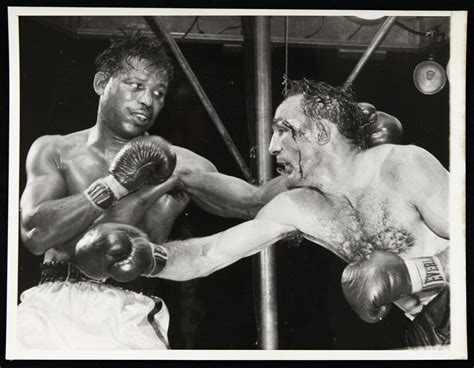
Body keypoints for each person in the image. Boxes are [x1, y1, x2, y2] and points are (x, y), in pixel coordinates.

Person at [75, 79, 450, 348]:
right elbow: (209, 253)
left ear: (320, 132)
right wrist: (151, 256)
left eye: (284, 130)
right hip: (423, 329)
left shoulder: (402, 165)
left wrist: (413, 273)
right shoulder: (299, 206)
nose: (271, 146)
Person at [18, 31, 216, 349]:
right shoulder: (55, 150)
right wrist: (116, 183)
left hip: (131, 313)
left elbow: (247, 201)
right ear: (101, 84)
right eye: (136, 86)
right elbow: (34, 235)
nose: (147, 100)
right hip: (53, 308)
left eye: (158, 92)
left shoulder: (185, 165)